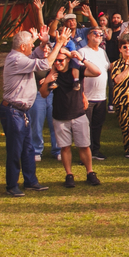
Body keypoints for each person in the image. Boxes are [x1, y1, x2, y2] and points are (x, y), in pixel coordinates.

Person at [0, 28, 64, 196]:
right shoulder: (16, 60)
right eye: (29, 45)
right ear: (22, 47)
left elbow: (35, 54)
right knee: (15, 149)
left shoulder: (21, 56)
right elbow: (45, 63)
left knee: (28, 149)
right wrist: (58, 44)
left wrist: (41, 42)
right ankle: (11, 185)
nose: (32, 47)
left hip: (22, 112)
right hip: (13, 111)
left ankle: (30, 181)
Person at [41, 47, 102, 188]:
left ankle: (90, 172)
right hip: (60, 116)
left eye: (61, 60)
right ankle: (69, 174)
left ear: (68, 59)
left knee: (84, 146)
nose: (58, 63)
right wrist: (47, 81)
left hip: (78, 114)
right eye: (55, 61)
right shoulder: (52, 74)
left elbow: (97, 72)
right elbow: (43, 94)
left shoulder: (77, 70)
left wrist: (82, 59)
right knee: (65, 148)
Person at [79, 28, 111, 160]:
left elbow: (108, 67)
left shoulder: (103, 52)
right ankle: (85, 154)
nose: (99, 36)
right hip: (87, 97)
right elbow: (78, 75)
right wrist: (82, 95)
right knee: (85, 128)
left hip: (101, 97)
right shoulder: (83, 52)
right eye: (95, 33)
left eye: (100, 34)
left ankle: (95, 150)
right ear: (88, 36)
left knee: (97, 126)